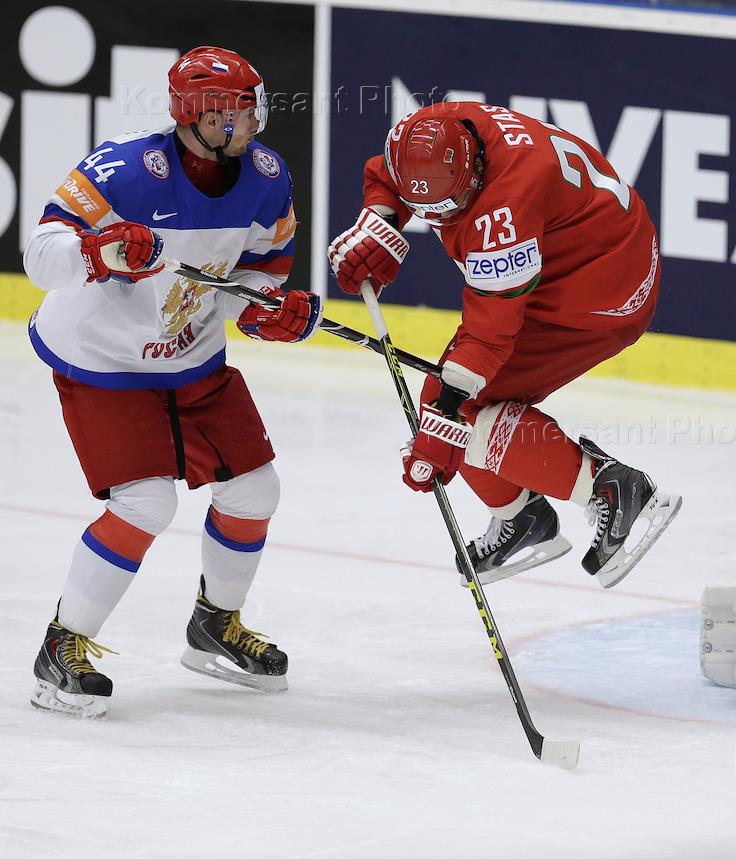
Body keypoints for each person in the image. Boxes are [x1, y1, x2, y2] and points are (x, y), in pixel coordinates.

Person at [23, 46, 322, 717]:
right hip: (103, 359)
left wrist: (269, 312)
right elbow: (41, 255)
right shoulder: (125, 169)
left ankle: (215, 625)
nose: (255, 122)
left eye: (255, 107)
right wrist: (99, 251)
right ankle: (61, 645)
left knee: (255, 489)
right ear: (201, 116)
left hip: (192, 354)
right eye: (240, 111)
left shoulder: (268, 176)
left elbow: (257, 275)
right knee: (145, 502)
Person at [327, 102, 681, 588]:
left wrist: (448, 417)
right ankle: (523, 517)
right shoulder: (436, 129)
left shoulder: (505, 210)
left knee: (457, 414)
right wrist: (380, 224)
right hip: (586, 253)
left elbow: (490, 335)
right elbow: (389, 173)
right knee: (443, 407)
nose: (443, 219)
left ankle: (615, 490)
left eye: (451, 207)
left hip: (599, 294)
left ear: (473, 171)